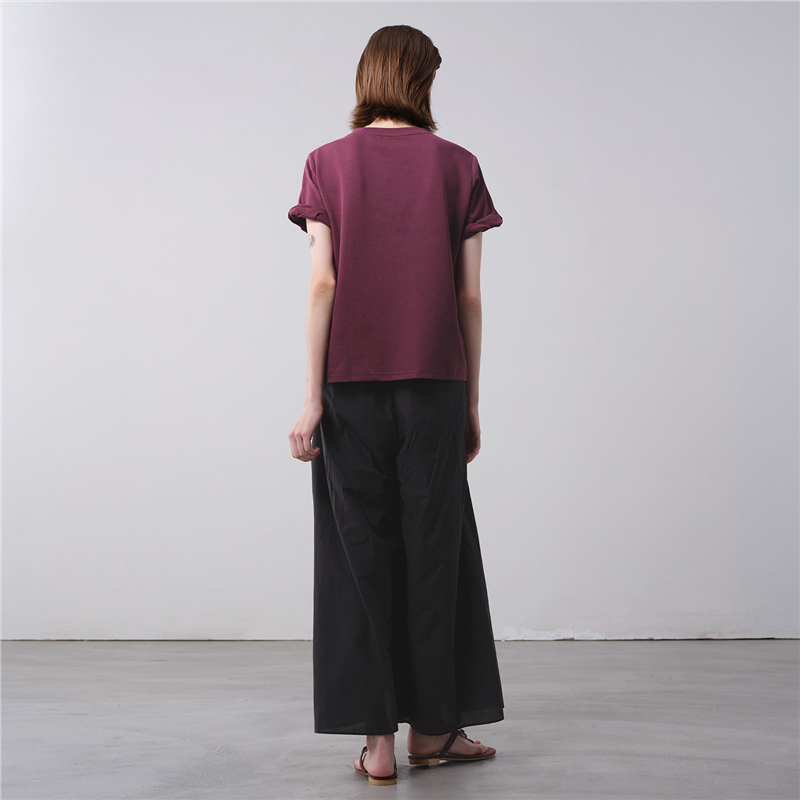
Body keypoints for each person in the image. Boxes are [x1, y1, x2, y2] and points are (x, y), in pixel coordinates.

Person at [287, 24, 505, 787]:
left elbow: (323, 283)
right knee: (434, 553)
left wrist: (311, 400)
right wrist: (470, 400)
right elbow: (469, 296)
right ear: (422, 82)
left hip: (349, 384)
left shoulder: (325, 164)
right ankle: (435, 730)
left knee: (360, 555)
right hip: (436, 383)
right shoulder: (460, 166)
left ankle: (376, 745)